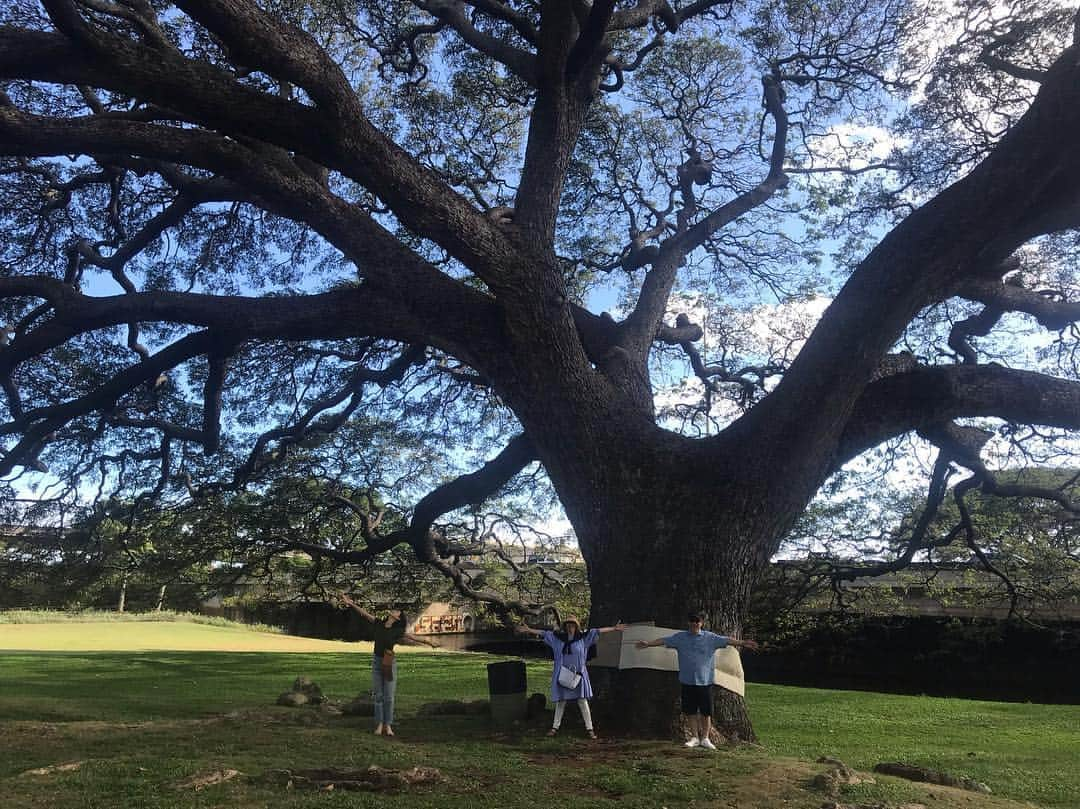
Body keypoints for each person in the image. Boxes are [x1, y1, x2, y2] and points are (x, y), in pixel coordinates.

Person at [635, 611, 759, 750]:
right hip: (687, 681)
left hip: (705, 681)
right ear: (688, 622)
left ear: (701, 623)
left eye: (697, 621)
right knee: (690, 711)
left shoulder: (710, 638)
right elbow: (664, 640)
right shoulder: (680, 637)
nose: (695, 624)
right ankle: (694, 738)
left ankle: (705, 738)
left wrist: (743, 643)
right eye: (692, 621)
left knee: (706, 712)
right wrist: (647, 644)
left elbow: (727, 640)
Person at [337, 593, 438, 737]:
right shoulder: (378, 623)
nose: (394, 610)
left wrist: (430, 642)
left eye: (397, 611)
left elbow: (413, 637)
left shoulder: (397, 631)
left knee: (389, 696)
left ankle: (388, 725)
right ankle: (379, 724)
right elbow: (364, 614)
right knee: (378, 696)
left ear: (397, 617)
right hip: (377, 661)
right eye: (395, 610)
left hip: (389, 662)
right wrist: (351, 603)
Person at [516, 616, 627, 738]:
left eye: (572, 625)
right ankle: (554, 727)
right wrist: (529, 630)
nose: (570, 628)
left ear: (576, 626)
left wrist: (614, 628)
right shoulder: (558, 639)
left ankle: (590, 729)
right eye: (568, 625)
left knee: (582, 701)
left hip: (578, 674)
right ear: (565, 627)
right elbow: (544, 633)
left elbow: (597, 631)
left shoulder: (583, 638)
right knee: (561, 701)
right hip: (562, 673)